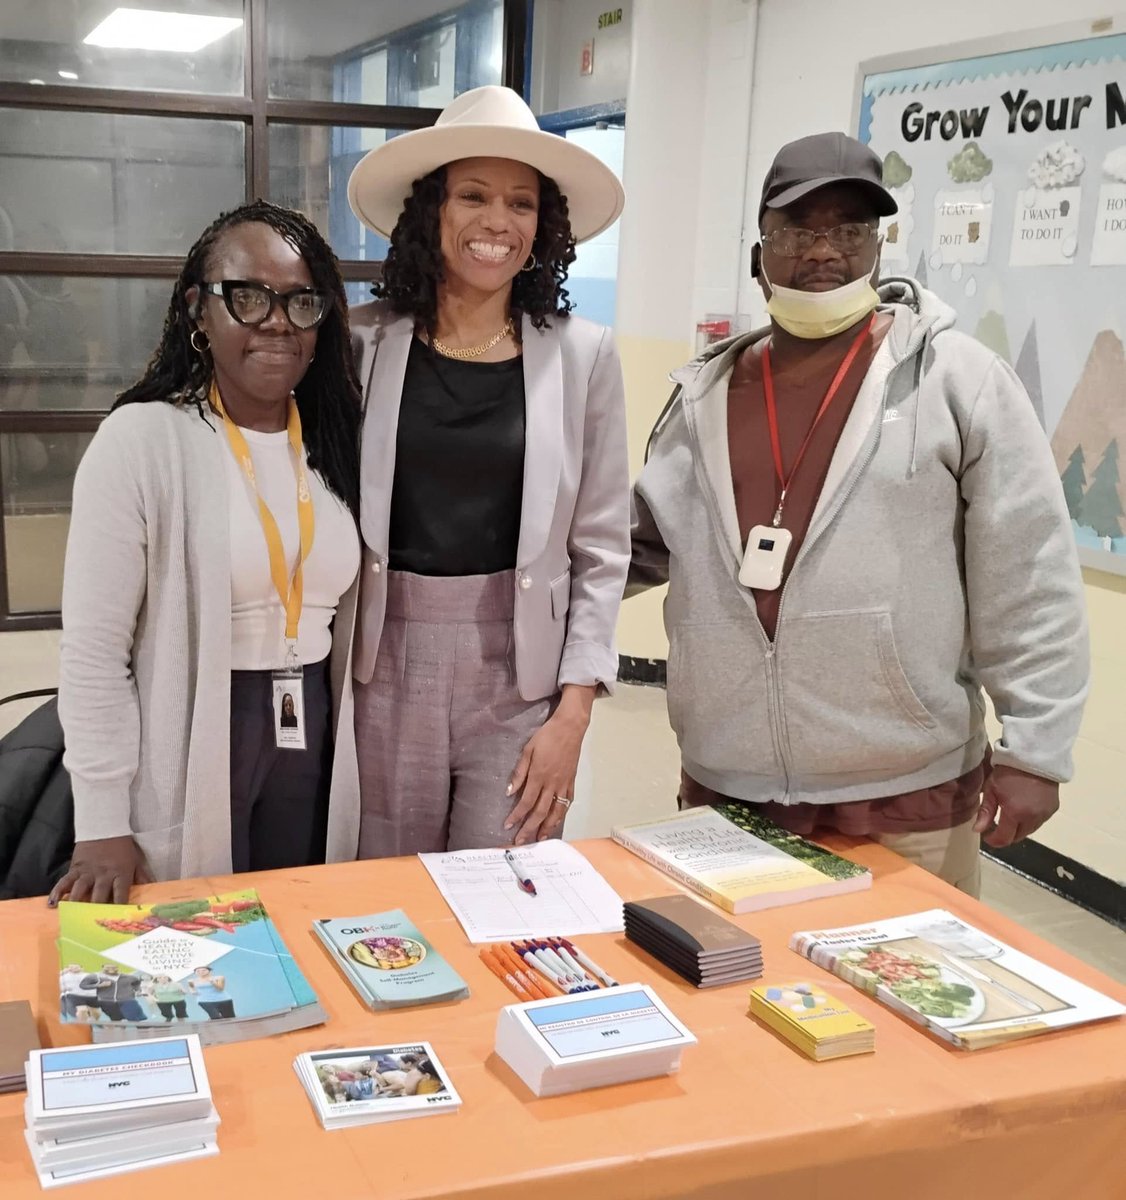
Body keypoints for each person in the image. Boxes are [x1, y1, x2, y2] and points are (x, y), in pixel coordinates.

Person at [630, 132, 1089, 896]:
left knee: (905, 996)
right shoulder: (704, 393)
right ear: (759, 254)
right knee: (740, 1000)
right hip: (729, 783)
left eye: (850, 230)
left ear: (878, 247)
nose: (824, 251)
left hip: (905, 790)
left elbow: (1029, 567)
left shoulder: (957, 382)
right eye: (797, 230)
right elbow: (640, 545)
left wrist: (1037, 749)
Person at [50, 201, 365, 904]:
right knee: (197, 940)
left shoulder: (334, 443)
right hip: (195, 724)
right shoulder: (141, 442)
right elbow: (95, 651)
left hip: (309, 721)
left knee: (297, 922)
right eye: (248, 297)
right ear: (199, 310)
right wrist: (101, 819)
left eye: (301, 302)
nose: (277, 321)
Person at [346, 85, 630, 854]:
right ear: (431, 210)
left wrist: (573, 714)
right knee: (388, 898)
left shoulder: (583, 356)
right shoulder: (360, 345)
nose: (497, 223)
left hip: (522, 678)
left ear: (545, 226)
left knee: (509, 891)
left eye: (521, 203)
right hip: (383, 664)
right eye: (472, 196)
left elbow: (602, 549)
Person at [80, 964, 147, 1022]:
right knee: (116, 1019)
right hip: (106, 1002)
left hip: (127, 1000)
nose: (111, 969)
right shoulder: (95, 976)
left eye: (113, 967)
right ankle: (120, 1033)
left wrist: (138, 991)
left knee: (134, 1017)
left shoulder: (129, 977)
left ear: (118, 968)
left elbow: (137, 984)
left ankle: (143, 1032)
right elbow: (83, 985)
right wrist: (99, 985)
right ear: (102, 967)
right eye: (108, 967)